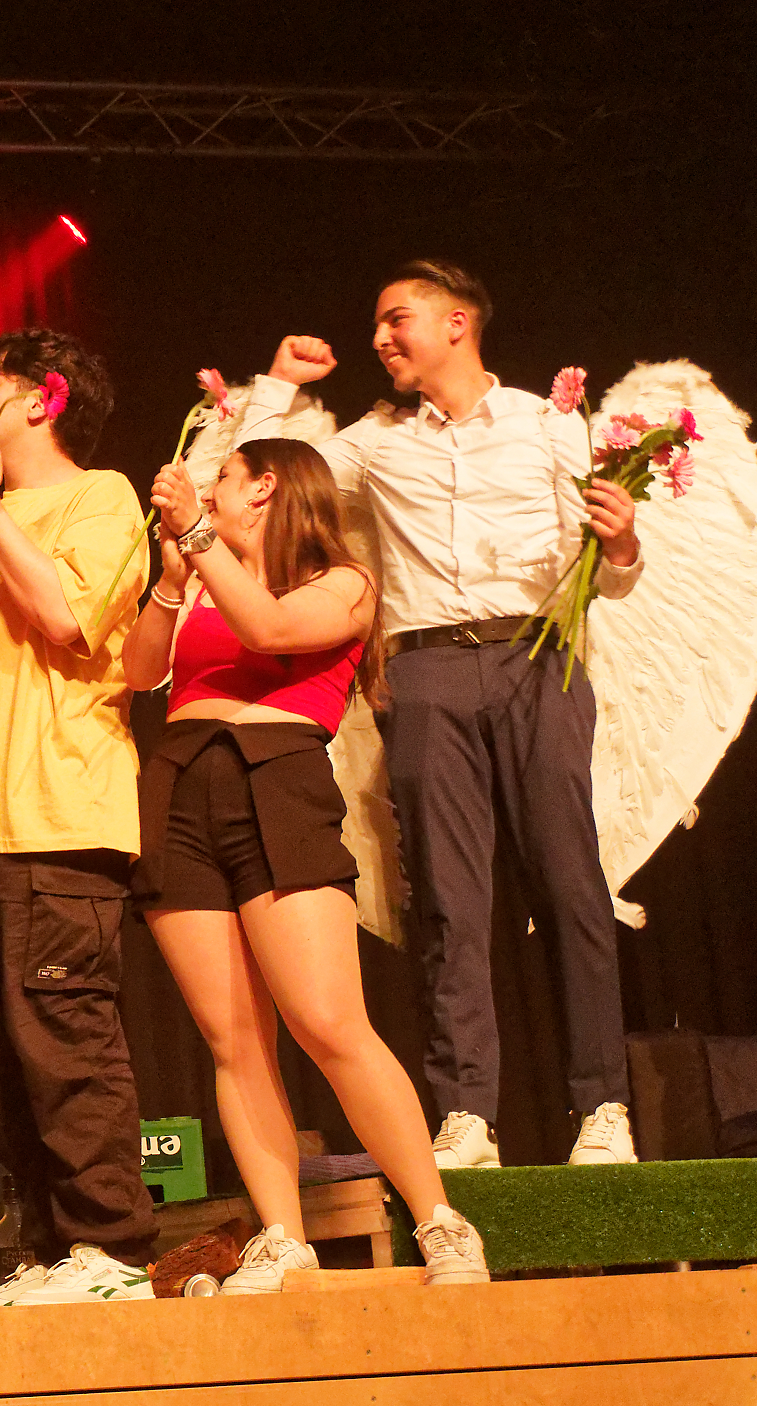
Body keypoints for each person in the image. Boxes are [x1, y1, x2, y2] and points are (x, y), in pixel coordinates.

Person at [235, 261, 641, 1168]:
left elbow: (608, 576)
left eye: (397, 319)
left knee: (570, 882)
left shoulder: (547, 423)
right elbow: (263, 479)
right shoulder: (378, 442)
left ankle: (602, 1104)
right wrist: (279, 386)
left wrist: (621, 547)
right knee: (450, 900)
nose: (381, 338)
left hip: (538, 655)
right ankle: (466, 1113)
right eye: (379, 323)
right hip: (424, 671)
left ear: (457, 322)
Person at [122, 438, 488, 1292]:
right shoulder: (202, 579)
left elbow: (273, 630)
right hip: (181, 785)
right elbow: (140, 672)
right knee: (234, 1040)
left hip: (278, 785)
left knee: (328, 1023)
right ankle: (283, 1235)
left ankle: (439, 1220)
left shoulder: (343, 583)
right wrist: (172, 580)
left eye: (222, 478)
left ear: (266, 487)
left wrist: (200, 541)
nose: (207, 491)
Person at [0, 328, 157, 1307]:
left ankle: (112, 1247)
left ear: (42, 400)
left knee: (66, 1043)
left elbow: (65, 617)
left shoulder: (102, 496)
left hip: (61, 813)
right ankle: (53, 1246)